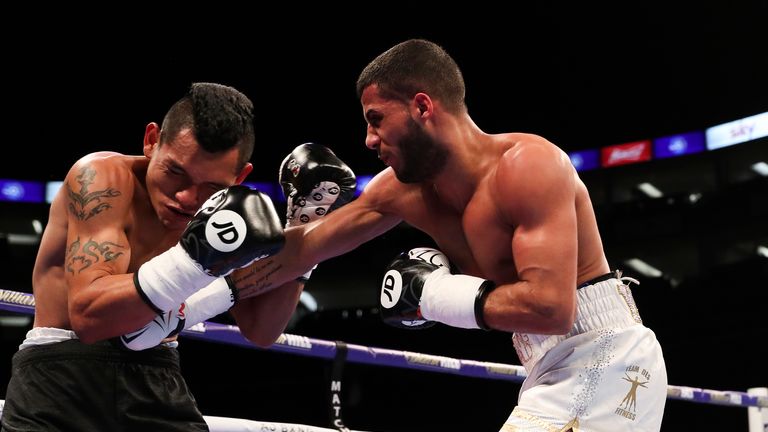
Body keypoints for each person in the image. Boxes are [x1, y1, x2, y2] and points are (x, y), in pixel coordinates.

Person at [227, 39, 668, 431]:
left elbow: (550, 307)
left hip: (606, 356)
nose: (368, 139)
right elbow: (296, 256)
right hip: (545, 367)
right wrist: (188, 283)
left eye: (376, 119)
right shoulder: (399, 192)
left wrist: (433, 293)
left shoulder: (528, 167)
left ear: (422, 106)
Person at [1, 82, 293, 431]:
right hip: (59, 373)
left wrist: (305, 226)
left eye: (212, 187)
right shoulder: (102, 179)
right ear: (152, 140)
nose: (187, 197)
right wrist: (196, 260)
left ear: (240, 177)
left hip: (157, 373)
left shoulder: (228, 216)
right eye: (175, 172)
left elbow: (261, 329)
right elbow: (89, 318)